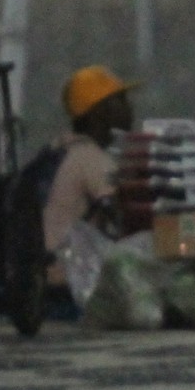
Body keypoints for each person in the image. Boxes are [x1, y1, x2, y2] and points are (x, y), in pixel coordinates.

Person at [41, 65, 137, 311]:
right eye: (120, 101)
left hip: (39, 277)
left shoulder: (58, 151)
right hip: (66, 283)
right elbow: (120, 216)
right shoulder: (92, 159)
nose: (129, 110)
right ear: (99, 112)